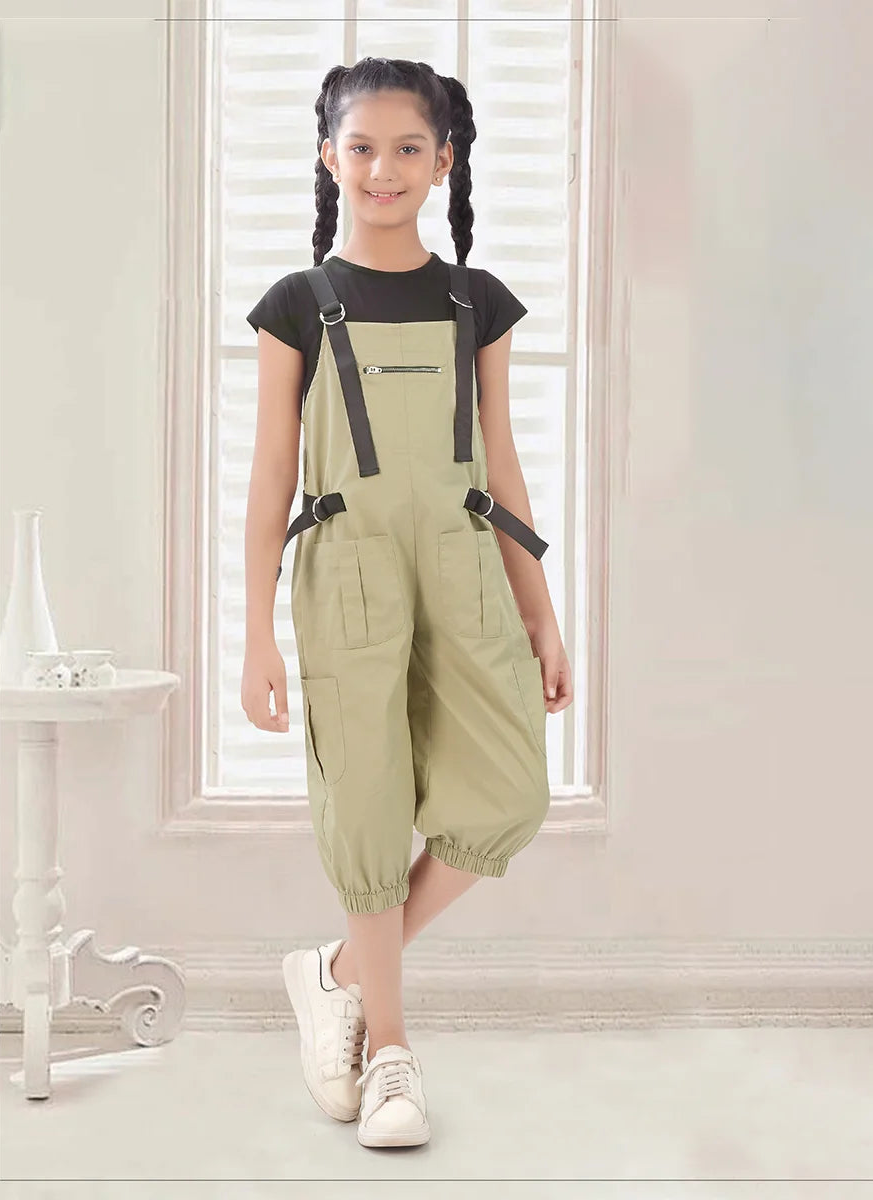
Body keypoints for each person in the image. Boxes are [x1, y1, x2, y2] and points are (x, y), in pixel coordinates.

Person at [241, 56, 573, 1148]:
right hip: (346, 567)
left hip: (466, 564)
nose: (383, 169)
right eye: (362, 147)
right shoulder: (296, 306)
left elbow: (503, 464)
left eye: (408, 149)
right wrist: (253, 632)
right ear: (328, 156)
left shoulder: (477, 302)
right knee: (369, 803)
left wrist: (540, 611)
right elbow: (270, 475)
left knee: (507, 796)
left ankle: (336, 971)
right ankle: (390, 1054)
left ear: (444, 162)